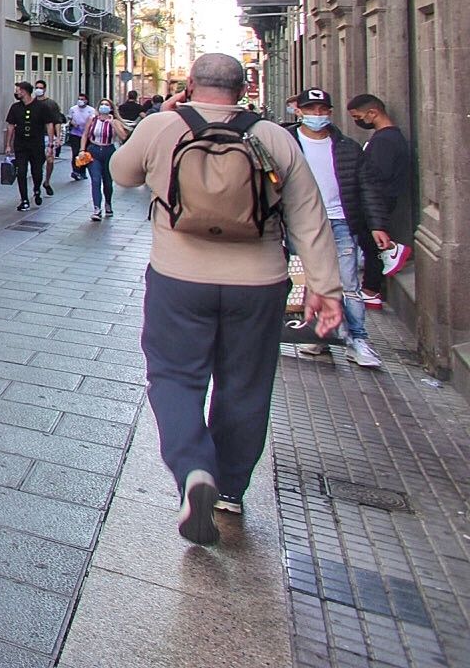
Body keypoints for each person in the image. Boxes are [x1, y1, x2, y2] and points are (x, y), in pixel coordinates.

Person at [113, 53, 341, 543]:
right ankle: (230, 488)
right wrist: (325, 287)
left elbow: (122, 173)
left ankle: (194, 469)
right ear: (243, 88)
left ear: (191, 84)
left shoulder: (164, 127)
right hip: (258, 282)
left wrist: (162, 116)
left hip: (180, 276)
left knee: (174, 377)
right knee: (246, 385)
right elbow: (309, 216)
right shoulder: (273, 136)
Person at [289, 89, 380, 368]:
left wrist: (377, 226)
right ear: (299, 111)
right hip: (301, 222)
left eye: (322, 109)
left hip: (340, 220)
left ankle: (356, 340)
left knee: (348, 283)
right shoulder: (287, 142)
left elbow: (366, 188)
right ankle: (315, 334)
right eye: (311, 109)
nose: (317, 115)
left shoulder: (347, 147)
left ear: (329, 112)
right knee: (304, 281)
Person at [349, 93, 412, 305]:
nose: (357, 122)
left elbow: (376, 176)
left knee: (371, 243)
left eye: (358, 116)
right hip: (381, 200)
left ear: (373, 113)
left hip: (380, 201)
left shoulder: (385, 141)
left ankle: (371, 288)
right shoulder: (384, 138)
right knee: (369, 243)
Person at [4, 82, 49, 212]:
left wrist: (51, 142)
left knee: (36, 171)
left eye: (18, 90)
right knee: (21, 171)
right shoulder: (15, 108)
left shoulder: (41, 107)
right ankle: (24, 200)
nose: (16, 93)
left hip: (36, 144)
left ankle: (36, 189)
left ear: (24, 92)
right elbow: (11, 126)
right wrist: (8, 144)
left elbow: (48, 124)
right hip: (21, 145)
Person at [79, 99, 124, 220]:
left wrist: (112, 123)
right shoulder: (92, 119)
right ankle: (97, 208)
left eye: (107, 105)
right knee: (95, 179)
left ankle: (108, 203)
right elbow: (85, 134)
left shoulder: (114, 121)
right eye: (102, 105)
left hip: (108, 151)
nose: (104, 107)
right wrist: (82, 150)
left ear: (111, 108)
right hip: (93, 151)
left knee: (108, 182)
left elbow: (123, 136)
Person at [33, 81, 65, 196]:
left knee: (50, 160)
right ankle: (38, 182)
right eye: (36, 88)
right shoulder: (32, 103)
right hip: (36, 137)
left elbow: (57, 121)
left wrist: (58, 138)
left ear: (45, 89)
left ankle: (47, 181)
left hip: (48, 136)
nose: (38, 90)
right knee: (37, 161)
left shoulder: (51, 104)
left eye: (40, 88)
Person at [65, 93, 96, 181]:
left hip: (86, 135)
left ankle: (83, 171)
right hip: (75, 133)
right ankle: (75, 171)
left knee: (84, 153)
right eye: (79, 99)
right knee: (75, 153)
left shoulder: (91, 110)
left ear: (86, 101)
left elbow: (92, 121)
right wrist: (72, 122)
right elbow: (70, 118)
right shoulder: (73, 109)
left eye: (82, 99)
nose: (80, 101)